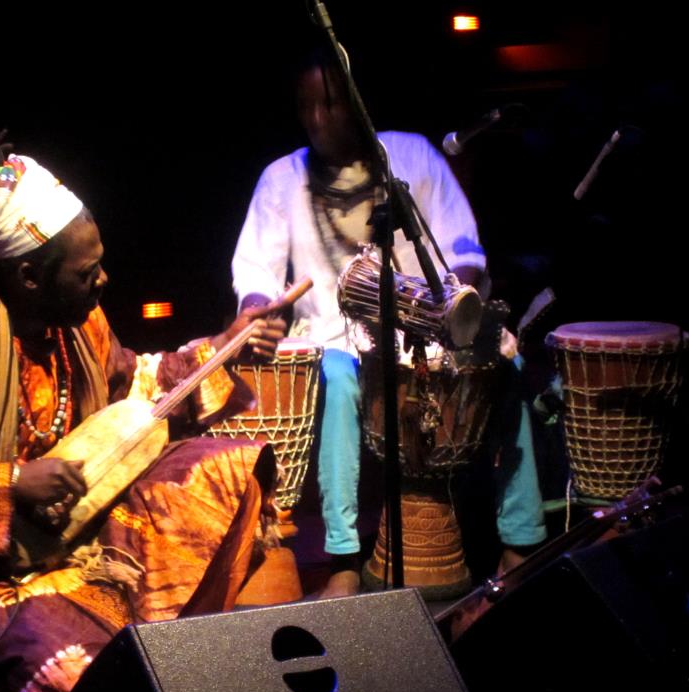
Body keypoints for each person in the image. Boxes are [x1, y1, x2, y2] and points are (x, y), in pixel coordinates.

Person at [0, 128, 285, 692]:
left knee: (228, 470)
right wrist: (10, 485)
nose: (102, 281)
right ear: (29, 276)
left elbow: (141, 390)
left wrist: (224, 347)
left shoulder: (82, 327)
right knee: (78, 675)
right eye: (86, 273)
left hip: (90, 543)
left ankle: (181, 660)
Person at [231, 50, 545, 596]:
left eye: (330, 103)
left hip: (432, 332)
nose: (317, 119)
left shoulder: (411, 156)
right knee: (336, 380)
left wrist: (454, 310)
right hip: (334, 339)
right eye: (306, 107)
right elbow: (255, 267)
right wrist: (258, 307)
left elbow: (462, 247)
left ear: (358, 101)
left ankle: (521, 539)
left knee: (508, 366)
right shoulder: (282, 178)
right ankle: (344, 557)